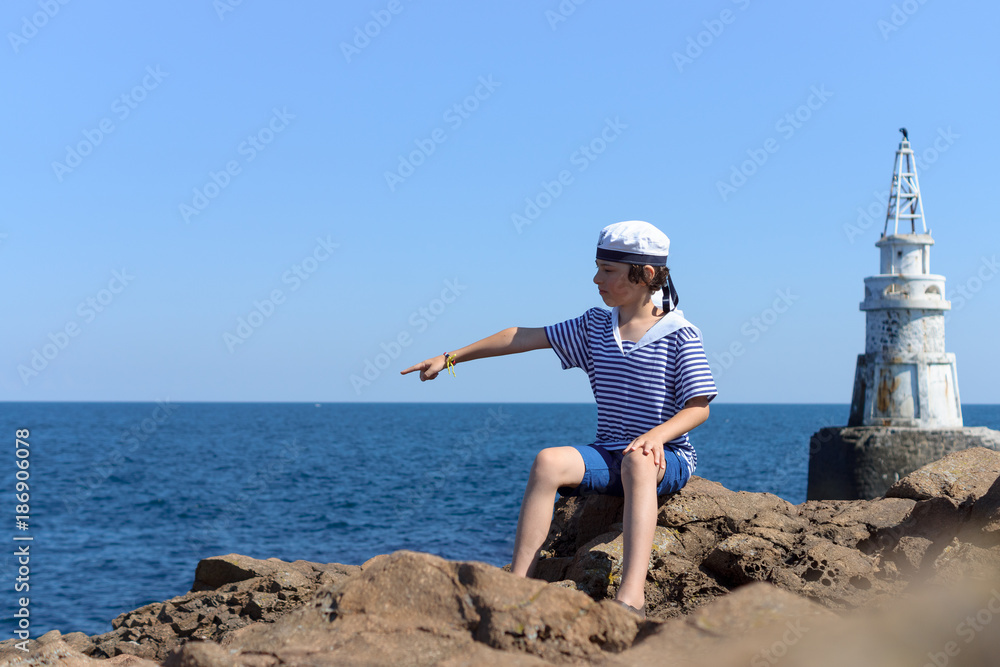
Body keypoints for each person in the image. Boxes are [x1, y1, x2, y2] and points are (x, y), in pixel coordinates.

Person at [400, 220, 717, 618]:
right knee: (548, 460)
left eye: (608, 270)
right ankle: (517, 585)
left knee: (638, 460)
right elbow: (520, 336)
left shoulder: (679, 333)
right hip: (610, 454)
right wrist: (450, 358)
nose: (596, 278)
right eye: (597, 267)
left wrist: (656, 436)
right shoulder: (595, 326)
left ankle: (631, 595)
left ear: (645, 275)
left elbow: (699, 405)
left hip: (665, 457)